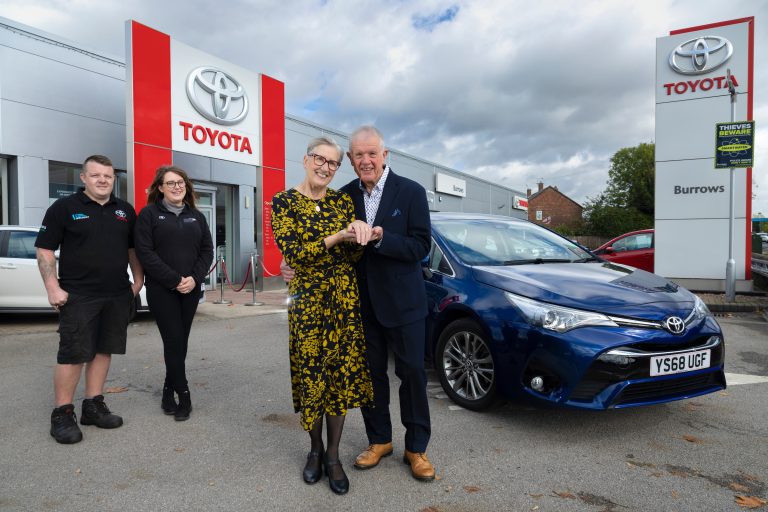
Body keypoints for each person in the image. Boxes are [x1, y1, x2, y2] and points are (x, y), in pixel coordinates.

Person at [281, 126, 436, 481]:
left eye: (372, 154)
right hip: (359, 306)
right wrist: (288, 261)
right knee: (370, 377)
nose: (366, 160)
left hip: (404, 305)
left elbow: (420, 246)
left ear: (385, 155)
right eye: (358, 155)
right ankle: (379, 440)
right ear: (350, 160)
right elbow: (320, 238)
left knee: (412, 374)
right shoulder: (344, 195)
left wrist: (382, 238)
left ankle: (416, 448)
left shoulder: (411, 192)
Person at [271, 136, 376, 495]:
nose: (326, 168)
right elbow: (295, 254)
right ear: (306, 160)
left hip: (343, 303)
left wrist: (360, 237)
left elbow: (352, 257)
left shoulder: (342, 202)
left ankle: (333, 456)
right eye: (320, 159)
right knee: (312, 377)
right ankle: (314, 450)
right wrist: (336, 237)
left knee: (339, 379)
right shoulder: (284, 202)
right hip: (307, 305)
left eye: (333, 163)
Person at [35, 154, 144, 445]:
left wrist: (138, 281)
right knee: (73, 354)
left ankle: (93, 406)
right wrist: (52, 288)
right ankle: (62, 414)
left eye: (108, 176)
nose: (102, 180)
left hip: (117, 294)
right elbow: (45, 250)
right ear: (83, 178)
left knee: (104, 350)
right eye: (96, 175)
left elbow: (132, 249)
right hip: (79, 295)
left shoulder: (125, 210)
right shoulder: (64, 208)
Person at [134, 166, 214, 422]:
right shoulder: (148, 215)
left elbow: (207, 250)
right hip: (162, 290)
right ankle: (184, 395)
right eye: (171, 183)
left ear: (186, 186)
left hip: (190, 289)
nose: (177, 187)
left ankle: (168, 393)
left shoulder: (196, 216)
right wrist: (175, 279)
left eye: (180, 182)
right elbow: (145, 253)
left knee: (180, 343)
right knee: (174, 341)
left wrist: (194, 279)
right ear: (160, 188)